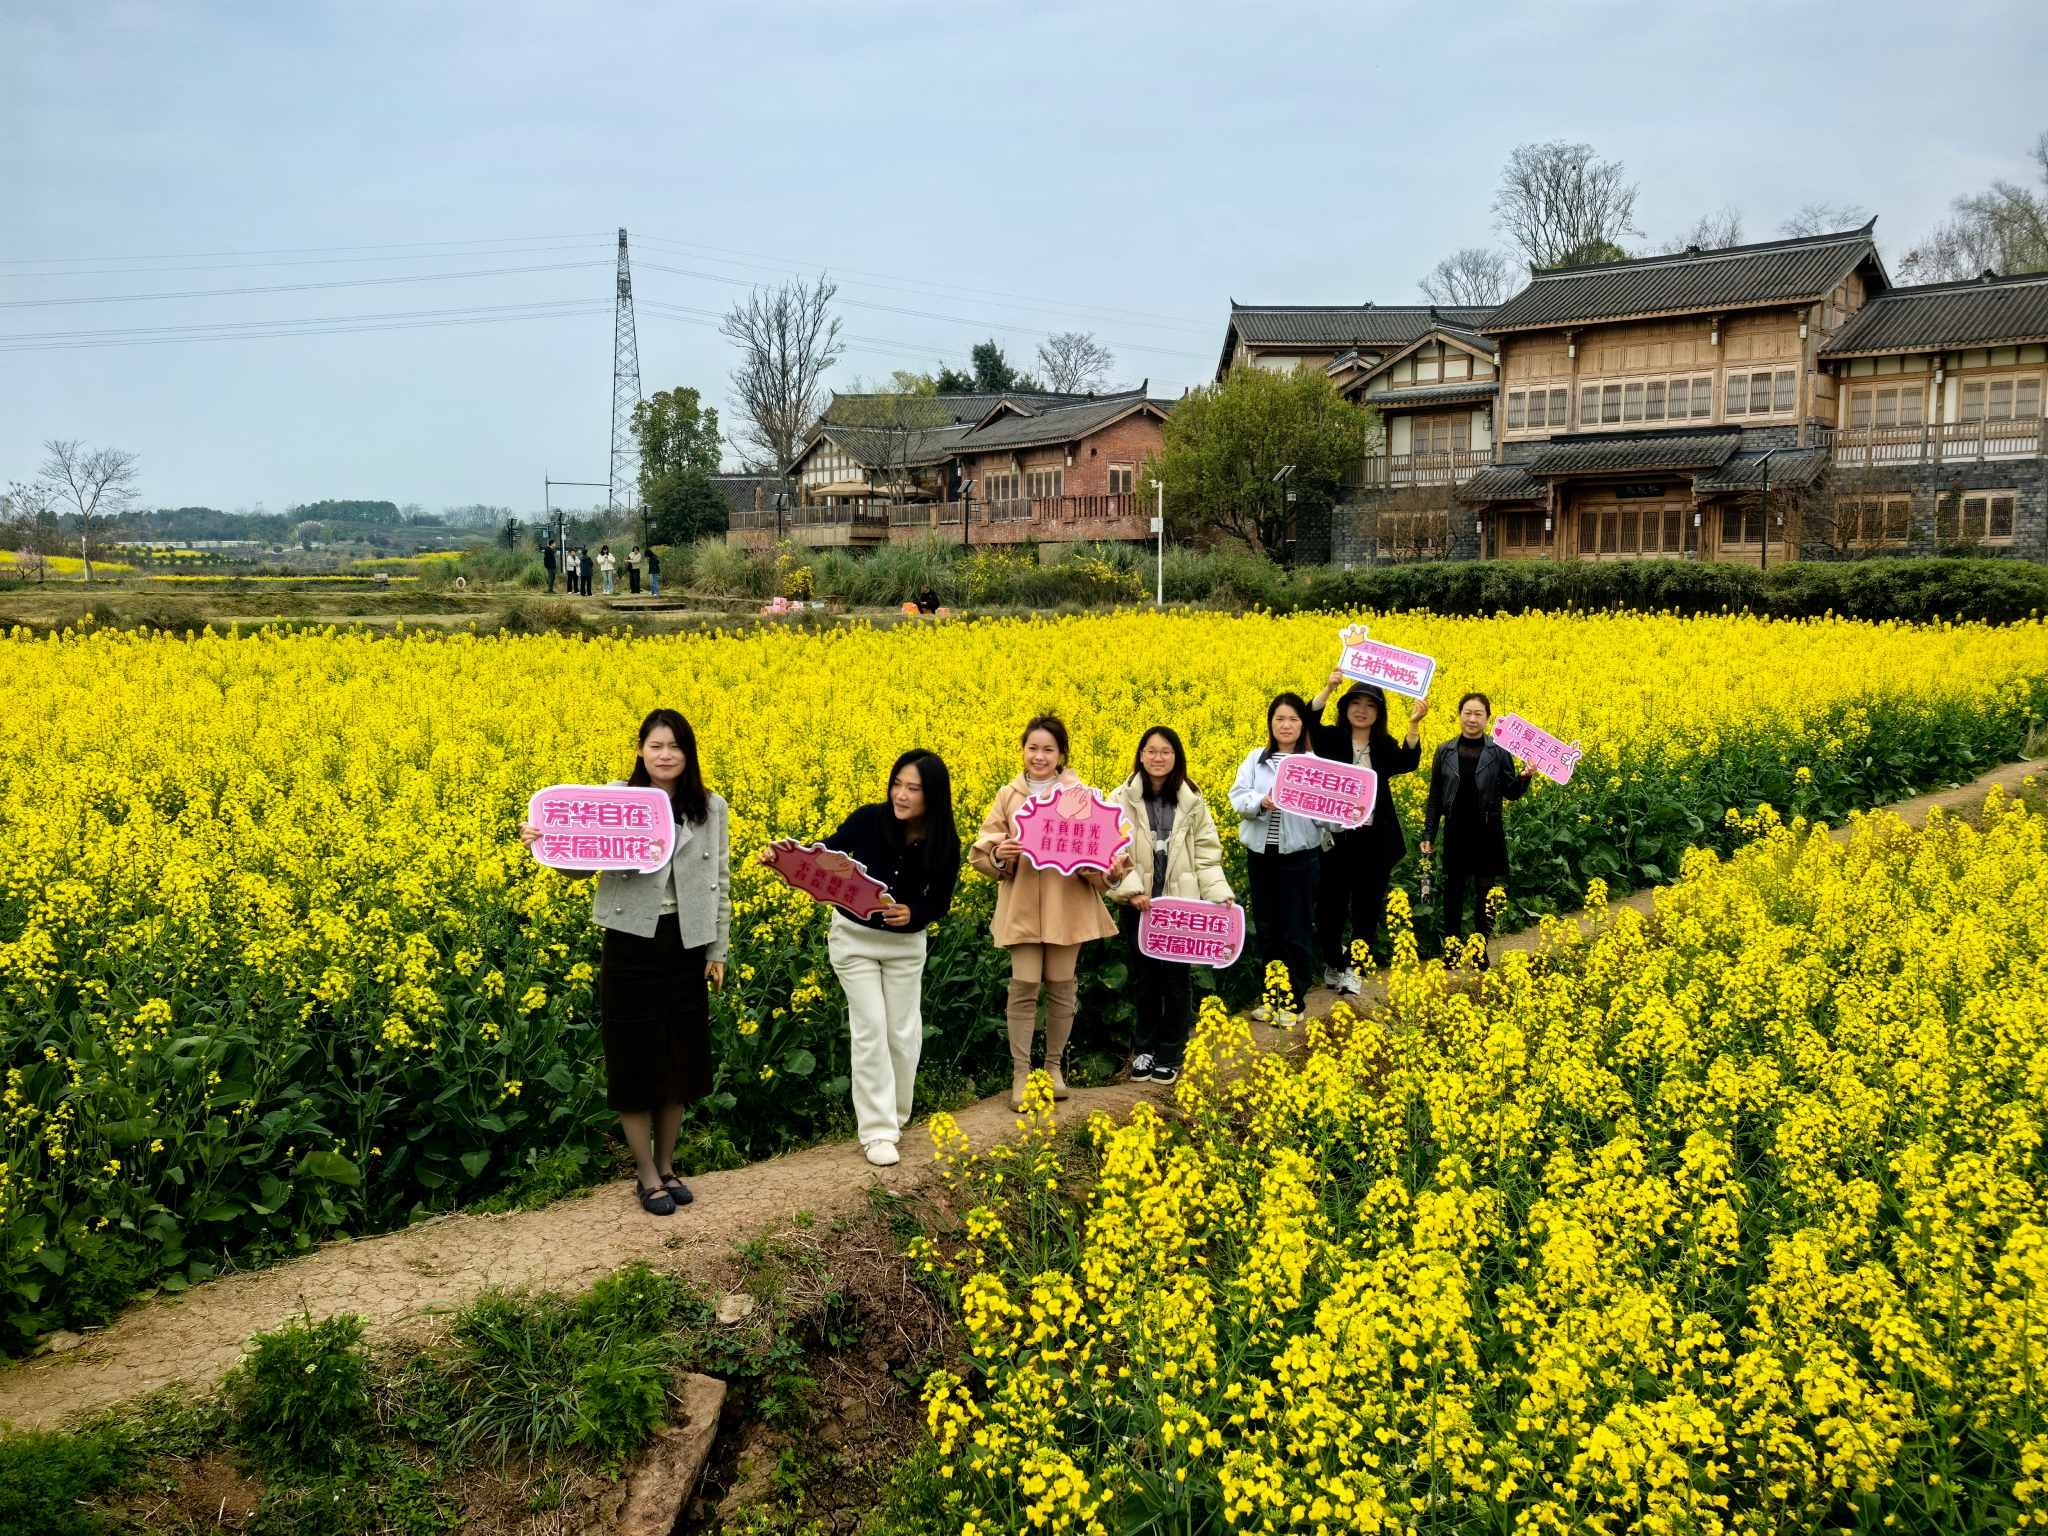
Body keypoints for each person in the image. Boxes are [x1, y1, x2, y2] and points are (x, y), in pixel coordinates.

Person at [518, 709, 730, 1216]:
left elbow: (720, 879)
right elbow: (581, 861)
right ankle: (646, 1173)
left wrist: (717, 950)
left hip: (687, 942)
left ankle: (668, 1165)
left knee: (680, 1058)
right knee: (634, 1057)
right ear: (640, 750)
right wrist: (545, 842)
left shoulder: (710, 806)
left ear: (688, 752)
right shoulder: (618, 799)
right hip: (631, 940)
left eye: (675, 746)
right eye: (656, 746)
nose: (665, 755)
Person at [765, 751, 960, 1167]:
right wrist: (783, 858)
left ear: (933, 796)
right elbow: (825, 856)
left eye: (913, 788)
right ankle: (877, 1131)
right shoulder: (868, 820)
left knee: (902, 1034)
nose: (901, 795)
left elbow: (940, 900)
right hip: (854, 941)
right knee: (871, 1028)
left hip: (905, 947)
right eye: (897, 784)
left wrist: (914, 913)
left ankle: (896, 1116)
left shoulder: (944, 840)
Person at [969, 715, 1118, 1109]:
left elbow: (1102, 851)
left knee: (1061, 985)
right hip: (1021, 902)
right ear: (1022, 751)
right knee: (1024, 985)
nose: (1039, 756)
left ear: (1061, 754)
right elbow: (984, 849)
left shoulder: (1080, 795)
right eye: (1032, 748)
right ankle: (1021, 1074)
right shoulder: (1008, 795)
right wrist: (1000, 854)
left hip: (1067, 902)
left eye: (1048, 749)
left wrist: (1105, 869)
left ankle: (1052, 1069)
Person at [1105, 726, 1234, 1084]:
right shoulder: (1120, 798)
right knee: (1145, 979)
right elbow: (1112, 850)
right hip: (1140, 907)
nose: (1157, 758)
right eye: (1151, 751)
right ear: (1140, 755)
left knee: (1178, 980)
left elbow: (1206, 853)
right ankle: (1145, 1048)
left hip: (1181, 908)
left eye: (1165, 751)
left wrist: (1219, 893)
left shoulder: (1192, 799)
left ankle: (1171, 1051)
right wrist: (1131, 892)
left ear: (1176, 757)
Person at [1306, 675, 1427, 992]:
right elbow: (1309, 720)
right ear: (1345, 707)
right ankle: (1335, 962)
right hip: (1336, 839)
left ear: (1379, 713)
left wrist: (1414, 723)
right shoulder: (1331, 740)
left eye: (1370, 706)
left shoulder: (1384, 745)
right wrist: (1329, 687)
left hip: (1374, 840)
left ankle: (1356, 970)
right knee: (1329, 907)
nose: (1362, 710)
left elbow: (1408, 762)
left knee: (1366, 907)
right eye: (1356, 703)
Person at [1420, 691, 1534, 968]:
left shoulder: (1499, 751)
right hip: (1456, 830)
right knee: (1453, 892)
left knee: (1486, 893)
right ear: (1459, 715)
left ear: (1487, 718)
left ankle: (1480, 949)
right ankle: (1451, 950)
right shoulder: (1445, 751)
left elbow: (1510, 792)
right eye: (1467, 713)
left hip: (1487, 831)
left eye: (1478, 714)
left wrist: (1524, 777)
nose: (1472, 719)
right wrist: (1428, 834)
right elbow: (1435, 796)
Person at [1227, 693, 1322, 1021]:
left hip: (1299, 857)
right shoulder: (1256, 759)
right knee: (1268, 929)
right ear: (1270, 723)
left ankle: (1293, 1003)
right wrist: (1260, 802)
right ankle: (1272, 997)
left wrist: (1345, 814)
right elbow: (1237, 797)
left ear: (1302, 725)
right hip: (1261, 855)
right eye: (1279, 719)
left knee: (1296, 930)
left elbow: (1326, 813)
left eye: (1293, 719)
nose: (1286, 725)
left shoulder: (1314, 764)